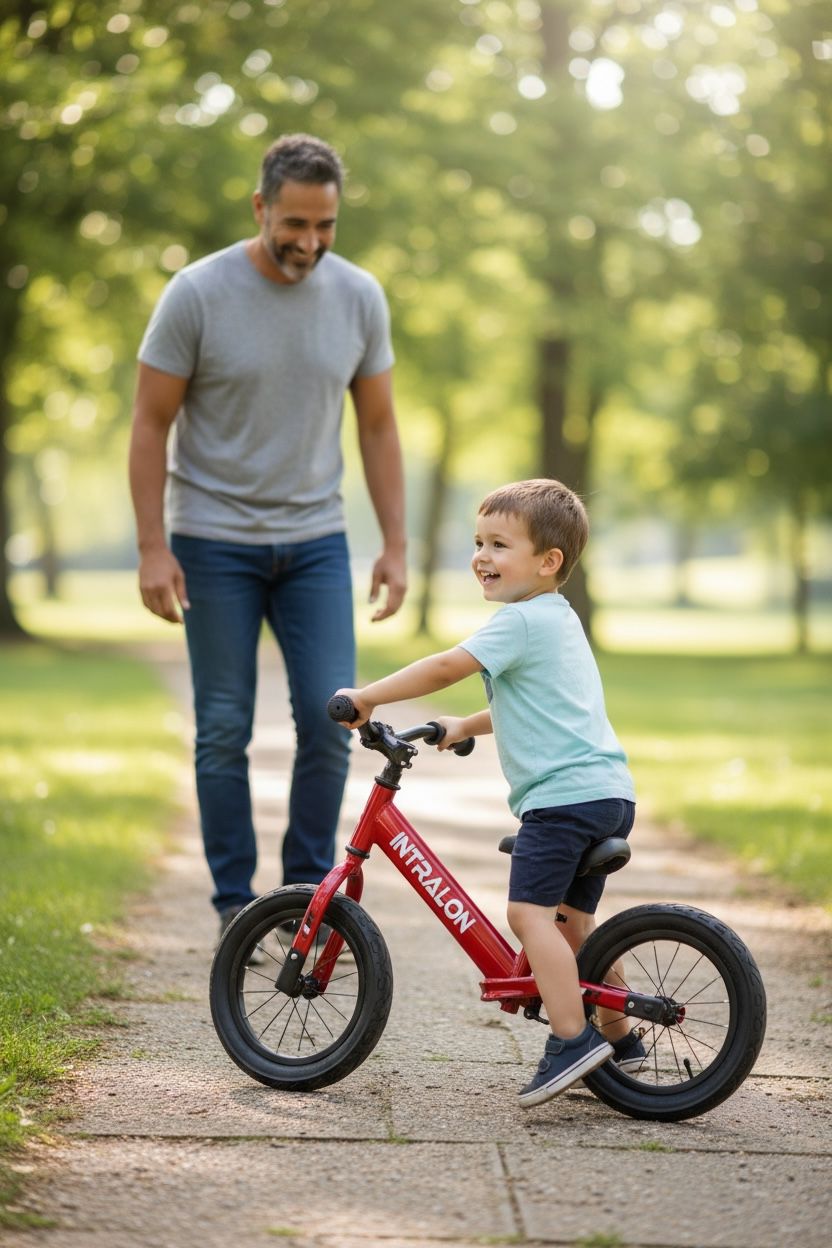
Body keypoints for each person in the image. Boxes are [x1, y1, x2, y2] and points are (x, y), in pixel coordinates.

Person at [129, 133, 407, 947]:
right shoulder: (197, 293)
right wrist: (153, 545)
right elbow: (149, 424)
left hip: (316, 540)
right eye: (294, 223)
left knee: (332, 719)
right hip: (213, 540)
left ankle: (300, 903)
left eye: (325, 225)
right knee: (223, 726)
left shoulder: (358, 296)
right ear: (259, 208)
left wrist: (394, 543)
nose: (310, 243)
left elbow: (381, 426)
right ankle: (230, 904)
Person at [333, 478, 643, 1106]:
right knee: (574, 926)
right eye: (478, 542)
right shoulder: (559, 619)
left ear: (548, 562)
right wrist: (463, 725)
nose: (481, 556)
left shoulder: (518, 621)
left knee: (528, 916)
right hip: (606, 792)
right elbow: (535, 704)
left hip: (561, 801)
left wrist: (366, 697)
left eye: (499, 544)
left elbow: (448, 665)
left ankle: (571, 1041)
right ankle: (622, 1042)